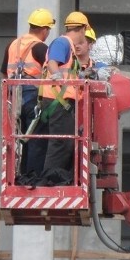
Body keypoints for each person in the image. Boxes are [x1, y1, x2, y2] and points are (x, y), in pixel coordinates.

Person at [1, 7, 55, 178]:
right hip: (32, 95)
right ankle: (33, 177)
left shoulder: (12, 45)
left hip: (14, 96)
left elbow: (4, 72)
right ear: (45, 30)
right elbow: (53, 71)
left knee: (21, 138)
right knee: (37, 137)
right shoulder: (40, 47)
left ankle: (21, 175)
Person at [36, 11, 89, 185]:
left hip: (59, 102)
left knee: (64, 143)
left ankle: (54, 180)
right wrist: (57, 76)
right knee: (61, 143)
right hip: (58, 101)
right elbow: (53, 62)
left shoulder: (67, 46)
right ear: (81, 29)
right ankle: (49, 182)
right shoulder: (63, 42)